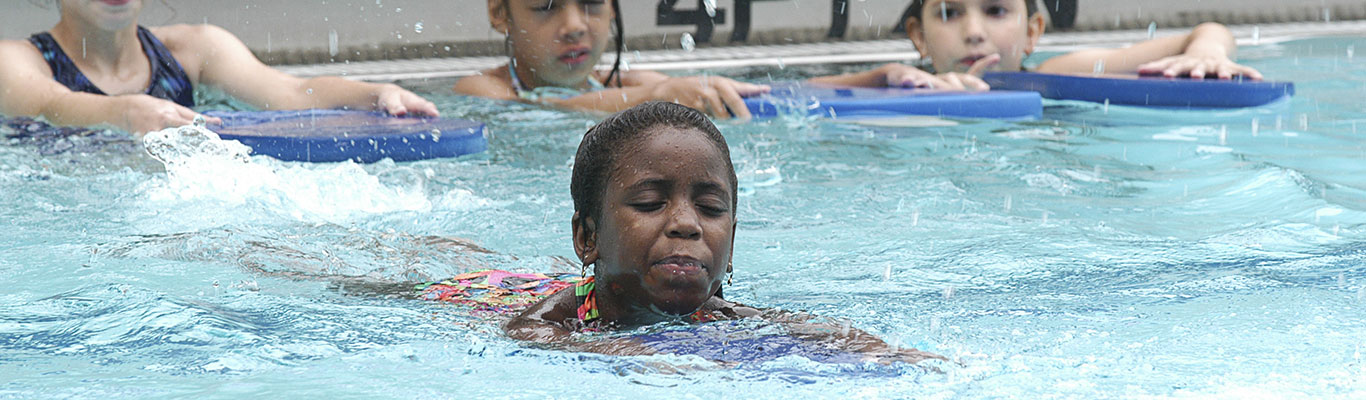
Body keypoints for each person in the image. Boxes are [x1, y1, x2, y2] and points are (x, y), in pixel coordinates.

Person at [499, 101, 940, 363]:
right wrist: (630, 353)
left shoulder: (721, 316)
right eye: (651, 203)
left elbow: (807, 331)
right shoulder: (562, 315)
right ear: (587, 237)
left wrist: (889, 354)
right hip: (486, 292)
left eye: (710, 208)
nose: (687, 224)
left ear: (730, 248)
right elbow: (526, 332)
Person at [0, 0, 439, 136]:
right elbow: (53, 105)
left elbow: (289, 92)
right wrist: (124, 112)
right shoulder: (17, 59)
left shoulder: (193, 47)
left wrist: (375, 92)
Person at [811, 0, 1263, 90]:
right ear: (918, 36)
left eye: (996, 11)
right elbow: (802, 90)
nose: (973, 31)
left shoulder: (1055, 76)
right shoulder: (905, 86)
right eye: (950, 13)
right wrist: (883, 77)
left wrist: (1208, 51)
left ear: (1033, 33)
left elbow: (1203, 29)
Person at [454, 0, 769, 119]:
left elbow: (690, 91)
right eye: (546, 6)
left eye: (592, 2)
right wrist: (655, 97)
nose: (576, 26)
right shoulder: (483, 89)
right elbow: (537, 107)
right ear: (500, 13)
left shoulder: (636, 83)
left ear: (614, 9)